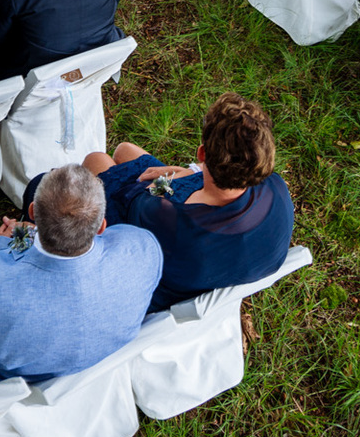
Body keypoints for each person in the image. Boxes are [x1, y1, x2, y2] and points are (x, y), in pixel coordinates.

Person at [0, 163, 162, 383]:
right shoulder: (142, 247)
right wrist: (27, 237)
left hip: (19, 373)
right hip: (99, 343)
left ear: (32, 216)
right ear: (102, 226)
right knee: (39, 182)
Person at [78, 93, 294, 312]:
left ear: (202, 153)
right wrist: (189, 171)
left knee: (97, 159)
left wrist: (175, 177)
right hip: (210, 265)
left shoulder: (169, 216)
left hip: (158, 274)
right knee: (126, 151)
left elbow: (137, 194)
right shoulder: (277, 188)